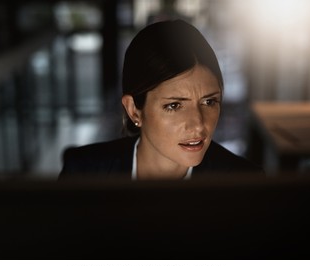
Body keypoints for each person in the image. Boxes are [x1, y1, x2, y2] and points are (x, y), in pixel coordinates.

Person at [59, 20, 262, 180]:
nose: (199, 124)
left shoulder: (244, 184)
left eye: (209, 102)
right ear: (133, 110)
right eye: (174, 105)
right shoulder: (84, 172)